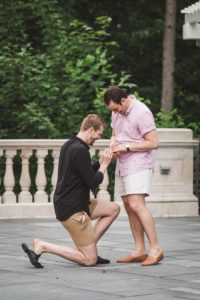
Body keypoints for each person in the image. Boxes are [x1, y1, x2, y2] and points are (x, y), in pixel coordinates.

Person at [22, 114, 120, 268]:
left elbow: (84, 172)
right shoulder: (80, 150)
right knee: (89, 260)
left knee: (113, 209)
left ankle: (89, 246)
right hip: (73, 209)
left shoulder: (69, 144)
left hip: (74, 202)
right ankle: (42, 246)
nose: (98, 138)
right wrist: (105, 165)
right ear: (90, 129)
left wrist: (100, 161)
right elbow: (93, 182)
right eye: (98, 134)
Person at [104, 86, 164, 266]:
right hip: (123, 164)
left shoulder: (142, 112)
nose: (114, 112)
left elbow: (154, 143)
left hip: (139, 163)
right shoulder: (116, 113)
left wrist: (127, 147)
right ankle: (139, 250)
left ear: (123, 100)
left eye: (115, 108)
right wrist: (113, 146)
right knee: (128, 206)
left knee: (137, 204)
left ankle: (156, 249)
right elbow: (115, 135)